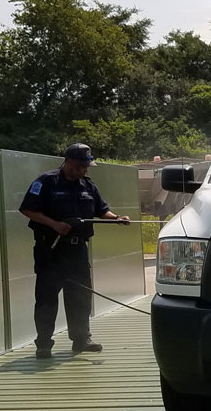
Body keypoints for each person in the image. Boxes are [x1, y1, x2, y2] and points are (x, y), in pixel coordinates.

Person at [19, 143, 130, 358]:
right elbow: (27, 209)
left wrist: (117, 219)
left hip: (77, 251)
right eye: (81, 166)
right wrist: (54, 224)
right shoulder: (46, 182)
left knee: (80, 296)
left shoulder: (87, 185)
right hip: (50, 250)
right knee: (46, 298)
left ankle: (81, 340)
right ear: (69, 162)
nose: (84, 170)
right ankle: (43, 344)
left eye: (86, 167)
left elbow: (102, 210)